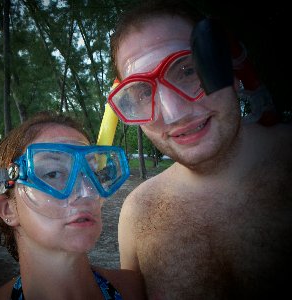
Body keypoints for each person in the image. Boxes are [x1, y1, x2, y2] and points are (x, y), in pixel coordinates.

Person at [108, 1, 292, 299]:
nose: (174, 113)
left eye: (187, 70)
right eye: (143, 91)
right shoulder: (137, 214)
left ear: (230, 67)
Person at [0, 111, 147, 300]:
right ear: (8, 209)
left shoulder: (137, 291)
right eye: (53, 173)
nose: (87, 192)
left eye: (93, 174)